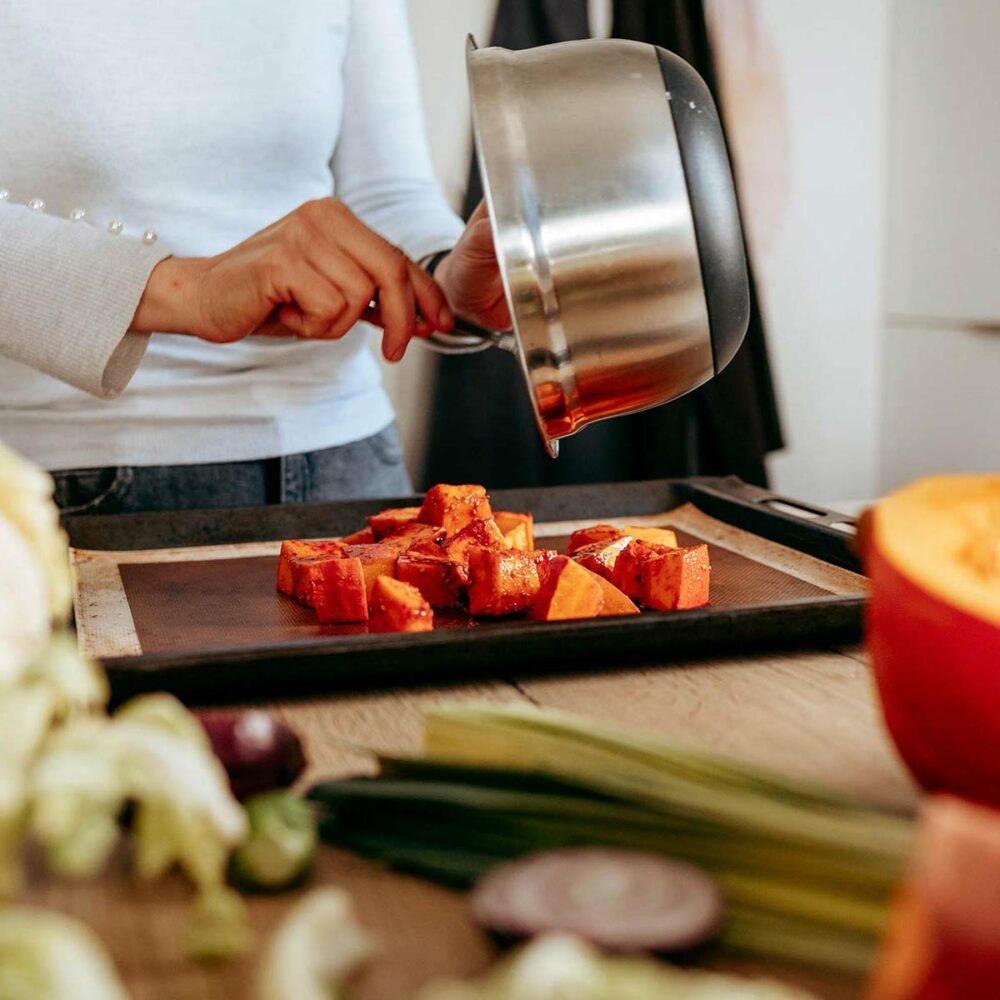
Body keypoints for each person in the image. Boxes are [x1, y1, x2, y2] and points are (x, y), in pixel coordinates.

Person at [0, 1, 509, 515]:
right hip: (79, 475)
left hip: (349, 457)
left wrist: (444, 278)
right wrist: (190, 291)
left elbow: (388, 193)